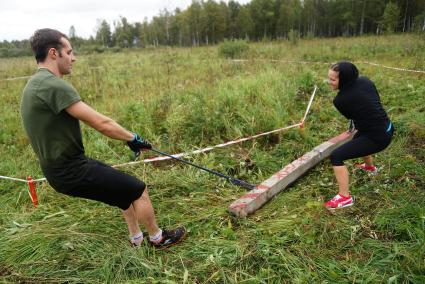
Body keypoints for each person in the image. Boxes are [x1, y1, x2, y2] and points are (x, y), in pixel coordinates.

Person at [20, 28, 186, 248]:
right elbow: (101, 123)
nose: (73, 58)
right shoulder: (54, 85)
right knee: (138, 189)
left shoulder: (34, 84)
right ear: (53, 53)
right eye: (68, 52)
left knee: (121, 193)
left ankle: (136, 239)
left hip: (58, 170)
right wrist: (132, 138)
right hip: (71, 170)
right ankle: (158, 238)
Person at [326, 61, 394, 209]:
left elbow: (350, 115)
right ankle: (370, 167)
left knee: (336, 156)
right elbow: (374, 101)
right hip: (387, 126)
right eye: (329, 78)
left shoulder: (340, 100)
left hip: (378, 138)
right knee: (359, 136)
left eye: (333, 79)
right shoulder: (365, 81)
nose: (329, 82)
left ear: (343, 79)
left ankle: (345, 197)